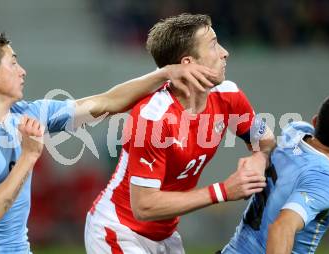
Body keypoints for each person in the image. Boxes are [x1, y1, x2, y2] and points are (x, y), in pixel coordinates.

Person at [0, 31, 216, 253]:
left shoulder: (27, 113)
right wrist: (29, 156)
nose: (22, 71)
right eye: (14, 63)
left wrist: (165, 73)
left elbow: (106, 102)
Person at [84, 13, 277, 254]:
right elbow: (143, 206)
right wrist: (223, 191)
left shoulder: (228, 95)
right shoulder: (153, 118)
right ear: (188, 63)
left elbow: (266, 141)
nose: (225, 52)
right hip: (119, 231)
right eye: (214, 44)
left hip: (165, 236)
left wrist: (257, 162)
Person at [221, 94, 329, 254]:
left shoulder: (295, 131)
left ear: (315, 121)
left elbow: (318, 142)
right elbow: (281, 228)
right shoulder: (324, 183)